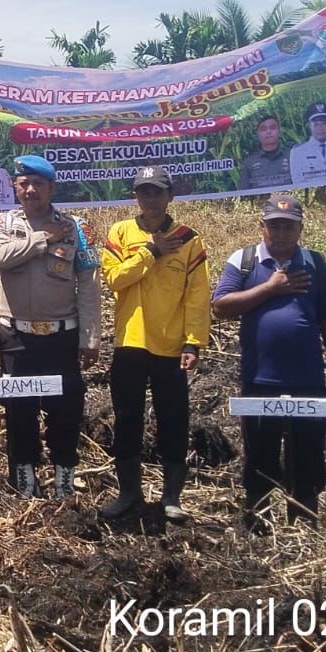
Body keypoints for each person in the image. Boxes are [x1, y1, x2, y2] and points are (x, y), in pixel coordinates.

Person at [210, 194, 326, 527]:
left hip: (308, 378)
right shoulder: (243, 260)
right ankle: (258, 522)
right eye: (274, 226)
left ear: (300, 229)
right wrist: (271, 288)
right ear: (262, 227)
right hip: (260, 379)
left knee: (308, 453)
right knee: (260, 452)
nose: (280, 233)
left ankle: (303, 522)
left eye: (288, 226)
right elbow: (221, 306)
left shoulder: (316, 263)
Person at [0, 156, 99, 498]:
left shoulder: (75, 226)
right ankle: (24, 480)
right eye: (24, 183)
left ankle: (64, 476)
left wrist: (90, 338)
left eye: (38, 183)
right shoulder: (0, 223)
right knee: (20, 410)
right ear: (15, 187)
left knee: (65, 408)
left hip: (62, 335)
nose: (31, 190)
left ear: (52, 187)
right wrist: (44, 238)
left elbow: (89, 284)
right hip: (17, 335)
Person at [98, 167, 209, 522]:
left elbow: (197, 296)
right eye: (144, 193)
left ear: (170, 196)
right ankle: (128, 493)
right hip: (130, 341)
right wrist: (151, 251)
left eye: (157, 192)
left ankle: (171, 497)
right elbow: (115, 279)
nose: (151, 200)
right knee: (127, 419)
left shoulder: (189, 239)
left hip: (171, 346)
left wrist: (193, 343)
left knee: (173, 420)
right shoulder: (120, 232)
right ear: (135, 196)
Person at [288, 102, 326, 188]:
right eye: (316, 124)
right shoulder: (298, 151)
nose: (320, 128)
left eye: (324, 123)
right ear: (309, 126)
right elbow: (297, 181)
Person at [239, 112, 292, 191]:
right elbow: (243, 192)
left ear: (279, 131)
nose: (268, 132)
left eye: (272, 128)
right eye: (263, 129)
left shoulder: (292, 156)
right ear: (258, 134)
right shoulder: (249, 162)